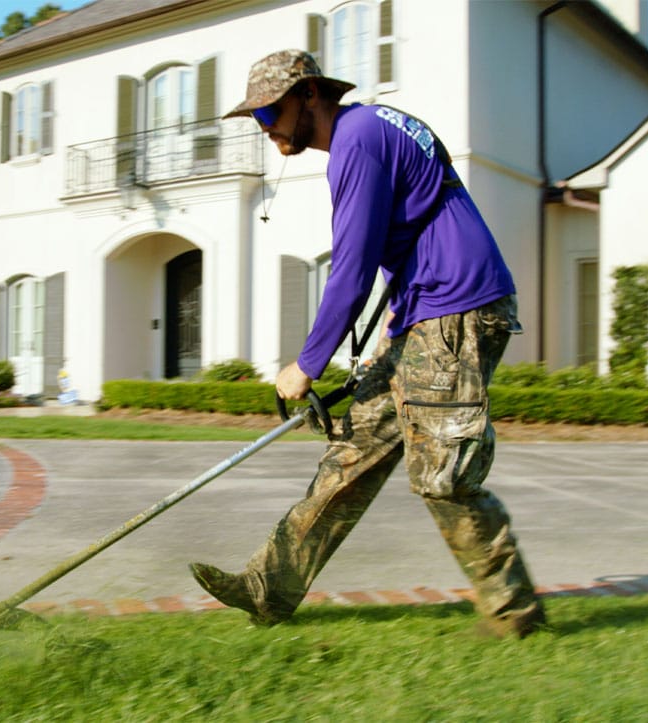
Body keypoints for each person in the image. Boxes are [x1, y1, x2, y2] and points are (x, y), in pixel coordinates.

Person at [188, 49, 546, 638]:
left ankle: (516, 619)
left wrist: (306, 364)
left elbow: (351, 269)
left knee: (444, 477)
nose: (265, 128)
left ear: (308, 95)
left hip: (456, 309)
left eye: (268, 112)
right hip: (427, 311)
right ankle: (267, 587)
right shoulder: (373, 128)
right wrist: (396, 324)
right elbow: (413, 227)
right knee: (351, 451)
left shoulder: (356, 141)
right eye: (255, 119)